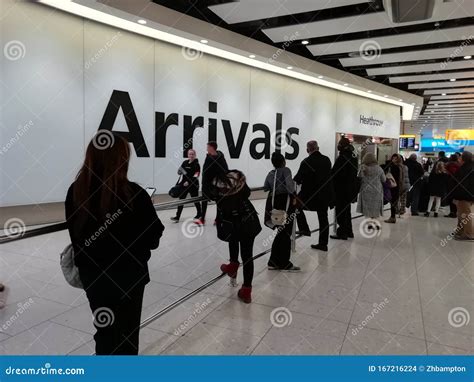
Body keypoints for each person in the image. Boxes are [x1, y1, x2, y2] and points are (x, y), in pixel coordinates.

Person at [65, 132, 164, 355]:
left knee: (105, 333)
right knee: (127, 335)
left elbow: (76, 235)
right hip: (130, 277)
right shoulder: (135, 194)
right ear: (122, 159)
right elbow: (153, 237)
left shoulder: (76, 191)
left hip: (94, 278)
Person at [215, 170, 261, 303]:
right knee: (248, 256)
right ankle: (246, 291)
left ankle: (233, 265)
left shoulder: (217, 186)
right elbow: (247, 193)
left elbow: (214, 199)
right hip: (249, 220)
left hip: (233, 223)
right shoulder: (237, 178)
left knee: (233, 238)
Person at [294, 140, 334, 252]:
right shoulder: (327, 160)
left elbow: (297, 179)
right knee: (323, 218)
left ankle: (304, 228)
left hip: (309, 197)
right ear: (318, 148)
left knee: (296, 207)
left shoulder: (306, 162)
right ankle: (323, 244)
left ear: (307, 150)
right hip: (324, 196)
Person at [263, 152, 301, 271]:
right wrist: (295, 196)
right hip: (285, 203)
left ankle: (273, 261)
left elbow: (266, 187)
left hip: (273, 204)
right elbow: (290, 187)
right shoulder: (286, 170)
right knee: (285, 233)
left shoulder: (271, 173)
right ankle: (284, 262)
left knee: (280, 231)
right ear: (283, 161)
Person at [330, 137, 358, 240]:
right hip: (350, 189)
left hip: (341, 189)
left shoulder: (342, 157)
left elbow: (335, 173)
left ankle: (342, 233)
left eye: (339, 144)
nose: (338, 145)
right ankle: (349, 231)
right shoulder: (353, 156)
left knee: (341, 211)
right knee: (347, 211)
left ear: (342, 145)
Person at [196, 141, 228, 225]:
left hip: (210, 184)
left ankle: (205, 219)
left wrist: (205, 183)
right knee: (218, 200)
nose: (206, 149)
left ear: (211, 148)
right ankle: (215, 219)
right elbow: (225, 169)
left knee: (206, 200)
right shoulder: (220, 156)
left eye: (207, 147)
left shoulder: (211, 158)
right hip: (216, 183)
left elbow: (207, 172)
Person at [170, 149, 201, 222]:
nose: (191, 156)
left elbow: (196, 175)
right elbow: (179, 171)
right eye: (190, 154)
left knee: (195, 200)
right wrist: (179, 172)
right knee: (181, 200)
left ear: (195, 155)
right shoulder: (185, 162)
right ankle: (177, 217)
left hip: (193, 185)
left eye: (192, 154)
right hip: (183, 185)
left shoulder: (197, 164)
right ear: (188, 155)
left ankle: (199, 213)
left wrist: (189, 182)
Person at [356, 153, 386, 222]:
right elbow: (384, 179)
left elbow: (359, 178)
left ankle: (368, 222)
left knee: (367, 208)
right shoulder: (379, 168)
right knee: (375, 207)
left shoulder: (363, 167)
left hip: (366, 190)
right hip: (377, 191)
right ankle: (375, 222)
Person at [452, 151, 474, 241]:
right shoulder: (469, 167)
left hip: (464, 195)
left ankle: (469, 234)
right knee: (461, 214)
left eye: (460, 157)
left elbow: (461, 184)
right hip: (466, 195)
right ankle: (460, 230)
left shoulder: (466, 169)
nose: (459, 159)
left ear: (464, 159)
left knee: (465, 214)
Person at [384, 154, 405, 224]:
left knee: (393, 202)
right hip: (398, 186)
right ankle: (393, 216)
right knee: (394, 202)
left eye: (395, 158)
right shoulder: (401, 167)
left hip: (394, 186)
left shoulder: (395, 167)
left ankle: (392, 217)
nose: (393, 159)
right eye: (393, 158)